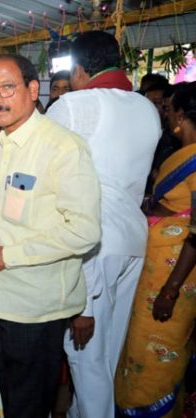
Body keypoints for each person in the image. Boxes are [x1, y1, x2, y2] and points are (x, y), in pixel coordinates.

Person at [0, 54, 101, 418]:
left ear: (32, 89)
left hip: (37, 307)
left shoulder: (62, 147)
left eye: (7, 87)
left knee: (29, 404)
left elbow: (84, 231)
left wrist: (6, 255)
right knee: (4, 394)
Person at [46, 30, 162, 418]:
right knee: (107, 349)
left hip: (92, 242)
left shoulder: (76, 105)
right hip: (132, 238)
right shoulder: (147, 108)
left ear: (79, 70)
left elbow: (50, 178)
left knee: (84, 355)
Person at [115, 81, 196, 418]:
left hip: (176, 275)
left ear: (179, 116)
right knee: (139, 345)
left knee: (159, 348)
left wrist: (171, 290)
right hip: (159, 272)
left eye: (169, 108)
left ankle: (153, 407)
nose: (165, 115)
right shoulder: (182, 156)